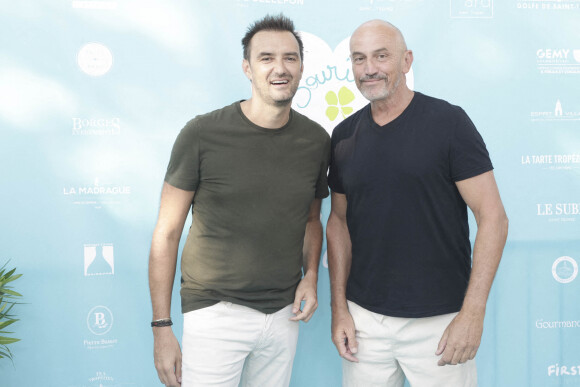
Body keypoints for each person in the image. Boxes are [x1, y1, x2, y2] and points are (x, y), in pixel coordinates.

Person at [148, 14, 330, 387]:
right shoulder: (202, 133)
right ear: (247, 67)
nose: (279, 68)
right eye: (266, 58)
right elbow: (166, 234)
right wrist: (162, 328)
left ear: (301, 66)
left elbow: (312, 219)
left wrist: (310, 275)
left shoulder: (315, 141)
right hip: (215, 312)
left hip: (283, 315)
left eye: (290, 58)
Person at [327, 19, 508, 387]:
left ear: (406, 61)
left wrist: (472, 313)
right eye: (359, 59)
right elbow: (338, 223)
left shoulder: (449, 123)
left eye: (381, 56)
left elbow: (493, 218)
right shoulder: (344, 136)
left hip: (440, 323)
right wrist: (340, 309)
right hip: (365, 325)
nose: (369, 69)